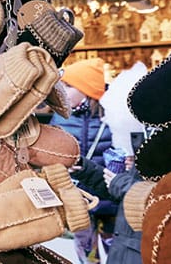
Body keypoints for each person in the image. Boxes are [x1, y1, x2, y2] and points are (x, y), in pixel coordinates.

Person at [51, 57, 117, 264]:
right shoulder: (61, 116)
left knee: (115, 248)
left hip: (109, 198)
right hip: (79, 198)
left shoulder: (112, 116)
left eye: (69, 86)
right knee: (86, 251)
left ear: (86, 90)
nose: (63, 90)